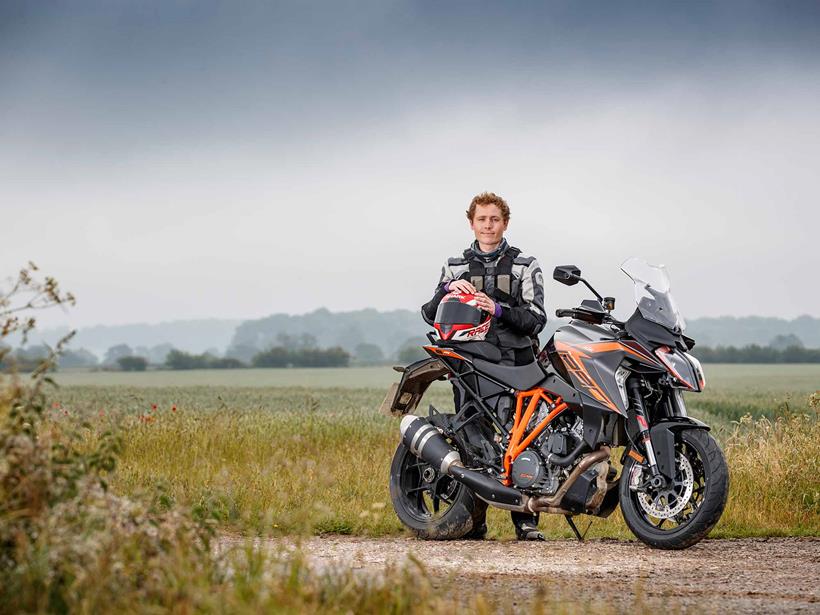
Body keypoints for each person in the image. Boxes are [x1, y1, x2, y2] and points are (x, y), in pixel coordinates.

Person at [421, 191, 547, 541]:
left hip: (516, 363)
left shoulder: (526, 265)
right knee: (471, 441)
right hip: (470, 366)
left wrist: (497, 309)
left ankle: (525, 522)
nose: (488, 225)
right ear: (471, 222)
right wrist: (448, 288)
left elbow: (536, 320)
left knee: (520, 439)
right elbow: (430, 313)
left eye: (494, 219)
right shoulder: (454, 265)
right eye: (481, 219)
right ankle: (474, 521)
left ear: (505, 222)